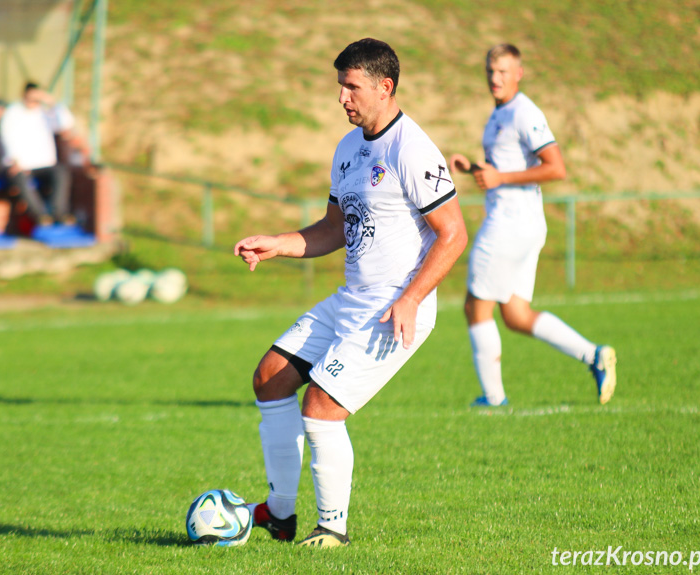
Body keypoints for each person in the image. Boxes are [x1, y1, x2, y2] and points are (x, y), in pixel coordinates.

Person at [234, 38, 468, 547]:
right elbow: (334, 228)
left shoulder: (412, 148)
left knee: (320, 407)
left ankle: (332, 530)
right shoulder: (347, 149)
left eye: (351, 86)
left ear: (385, 88)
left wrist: (409, 299)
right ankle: (278, 515)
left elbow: (454, 234)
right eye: (340, 85)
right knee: (270, 378)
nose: (342, 97)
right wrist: (279, 243)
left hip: (393, 307)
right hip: (351, 299)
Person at [449, 44, 617, 408]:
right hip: (522, 224)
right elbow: (504, 168)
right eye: (491, 71)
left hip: (509, 224)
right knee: (516, 315)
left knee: (475, 307)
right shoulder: (499, 114)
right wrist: (474, 169)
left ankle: (493, 399)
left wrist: (499, 178)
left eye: (503, 72)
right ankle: (595, 355)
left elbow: (556, 167)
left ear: (519, 74)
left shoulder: (524, 112)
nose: (495, 78)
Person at [0, 82, 76, 227]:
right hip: (21, 165)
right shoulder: (13, 113)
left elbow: (66, 124)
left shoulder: (45, 113)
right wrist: (14, 161)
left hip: (44, 164)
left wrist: (52, 102)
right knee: (19, 178)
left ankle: (58, 213)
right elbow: (6, 137)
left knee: (61, 172)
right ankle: (41, 217)